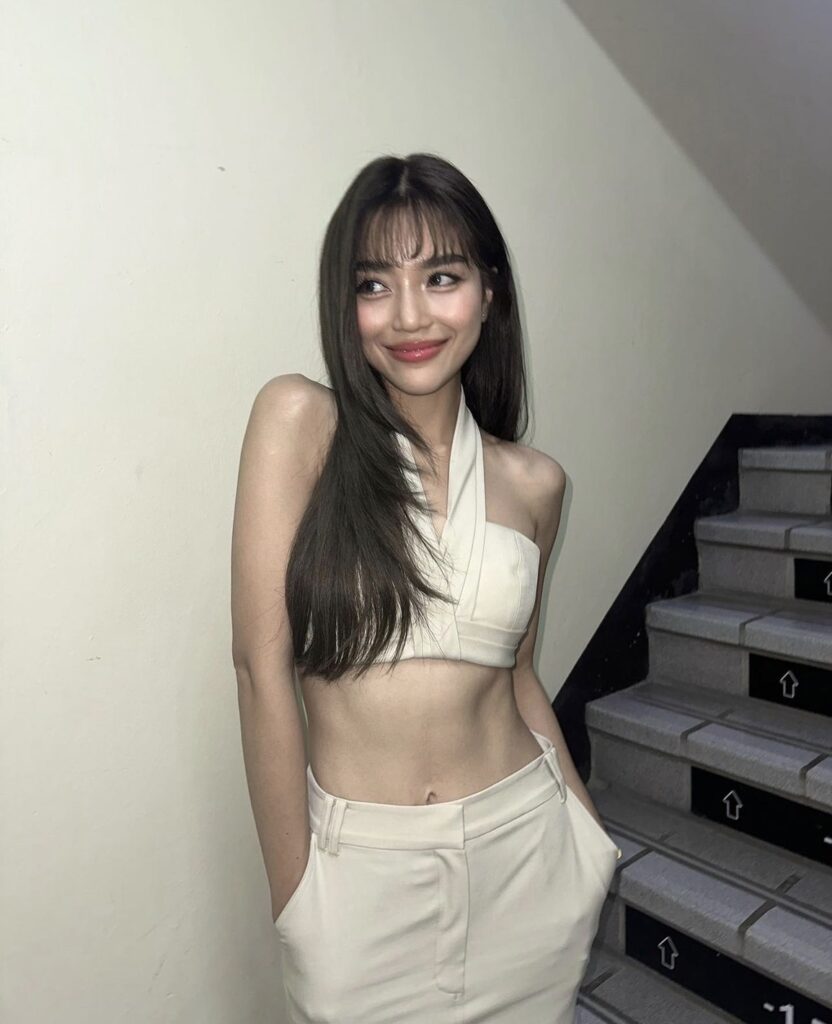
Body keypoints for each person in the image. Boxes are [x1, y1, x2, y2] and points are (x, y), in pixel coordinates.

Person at [231, 152, 621, 1024]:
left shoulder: (537, 483)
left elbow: (517, 676)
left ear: (489, 292)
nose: (408, 315)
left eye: (441, 277)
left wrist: (587, 838)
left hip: (530, 860)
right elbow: (260, 671)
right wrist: (297, 904)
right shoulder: (300, 424)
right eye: (374, 284)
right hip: (360, 887)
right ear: (345, 306)